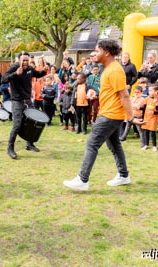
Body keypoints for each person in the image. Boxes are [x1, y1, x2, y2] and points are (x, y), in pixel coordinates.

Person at [63, 39, 143, 191]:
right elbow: (111, 92)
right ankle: (124, 175)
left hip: (110, 115)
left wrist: (131, 117)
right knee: (114, 145)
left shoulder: (115, 70)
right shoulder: (108, 69)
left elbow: (124, 95)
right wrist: (96, 93)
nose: (94, 53)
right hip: (110, 114)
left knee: (91, 144)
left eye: (97, 50)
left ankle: (82, 179)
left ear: (106, 53)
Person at [2, 51, 48, 159]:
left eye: (27, 60)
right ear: (19, 60)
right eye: (24, 60)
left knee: (32, 123)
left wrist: (44, 71)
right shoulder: (14, 68)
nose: (26, 62)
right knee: (17, 125)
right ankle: (10, 148)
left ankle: (29, 144)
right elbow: (3, 79)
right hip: (17, 101)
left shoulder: (30, 69)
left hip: (28, 101)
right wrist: (15, 74)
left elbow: (38, 74)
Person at [141, 84, 158, 151]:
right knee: (145, 132)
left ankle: (154, 146)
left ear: (156, 91)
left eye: (151, 90)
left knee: (152, 133)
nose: (149, 92)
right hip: (146, 118)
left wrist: (154, 112)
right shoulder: (147, 98)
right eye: (149, 90)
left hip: (153, 118)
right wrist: (140, 110)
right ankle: (146, 144)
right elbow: (144, 108)